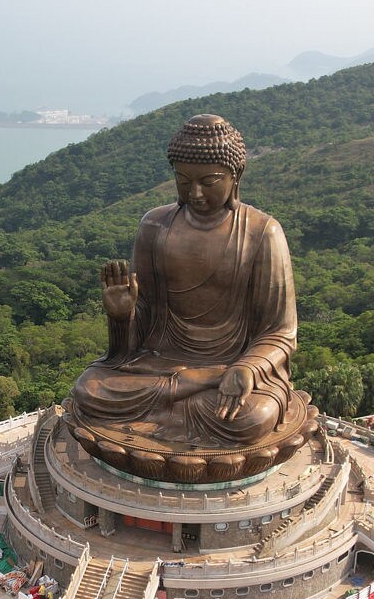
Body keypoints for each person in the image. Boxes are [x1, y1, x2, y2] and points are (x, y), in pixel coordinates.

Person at [68, 114, 299, 448]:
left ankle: (192, 396)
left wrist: (247, 369)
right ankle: (195, 390)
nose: (195, 192)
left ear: (236, 176)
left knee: (252, 417)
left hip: (234, 368)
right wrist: (122, 316)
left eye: (209, 181)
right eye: (183, 180)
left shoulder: (262, 232)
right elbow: (140, 337)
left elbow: (280, 332)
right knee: (89, 389)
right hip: (159, 363)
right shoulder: (154, 226)